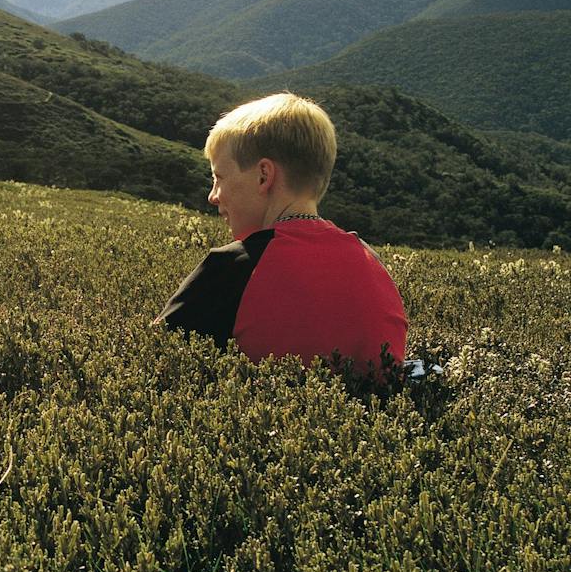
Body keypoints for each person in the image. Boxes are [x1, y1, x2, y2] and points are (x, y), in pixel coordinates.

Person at [156, 92, 406, 374]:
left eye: (219, 178)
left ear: (264, 175)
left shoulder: (233, 268)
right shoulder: (373, 264)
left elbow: (149, 357)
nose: (213, 196)